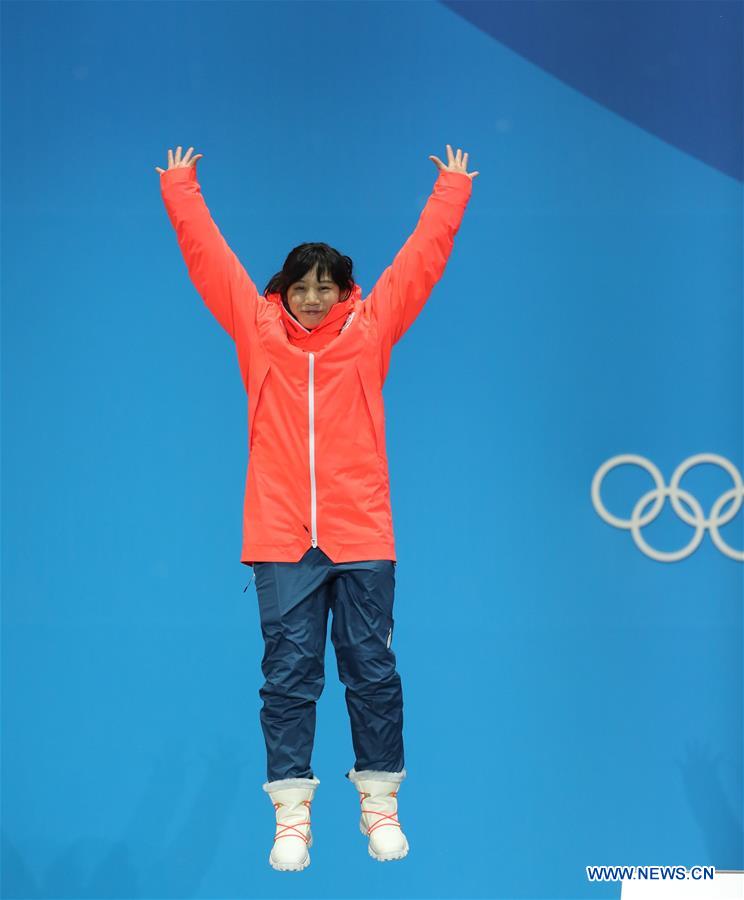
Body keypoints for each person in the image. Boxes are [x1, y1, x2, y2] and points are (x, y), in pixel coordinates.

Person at [157, 145, 477, 871]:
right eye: (301, 285)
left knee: (371, 668)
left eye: (325, 286)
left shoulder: (370, 332)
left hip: (361, 530)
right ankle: (292, 813)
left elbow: (419, 263)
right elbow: (209, 259)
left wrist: (451, 191)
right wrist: (182, 189)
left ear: (343, 292)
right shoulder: (257, 331)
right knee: (290, 675)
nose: (312, 297)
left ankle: (379, 801)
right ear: (284, 289)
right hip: (280, 536)